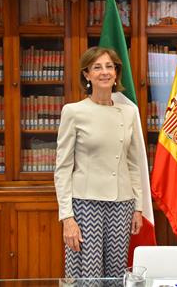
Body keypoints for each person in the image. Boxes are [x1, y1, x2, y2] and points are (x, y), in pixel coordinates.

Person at [54, 46, 143, 278]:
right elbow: (62, 168)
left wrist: (138, 207)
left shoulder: (129, 112)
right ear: (87, 74)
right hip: (85, 206)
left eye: (109, 66)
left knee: (116, 277)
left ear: (116, 73)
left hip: (122, 205)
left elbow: (133, 164)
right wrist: (67, 217)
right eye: (97, 67)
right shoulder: (73, 111)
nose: (105, 72)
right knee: (87, 278)